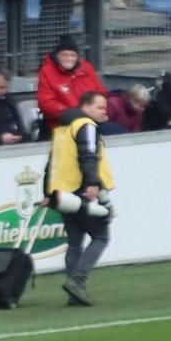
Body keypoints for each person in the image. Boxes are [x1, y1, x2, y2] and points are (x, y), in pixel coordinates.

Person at [45, 88, 116, 306]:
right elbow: (88, 155)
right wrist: (93, 183)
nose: (104, 112)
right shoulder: (86, 125)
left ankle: (74, 293)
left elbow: (51, 162)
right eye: (100, 107)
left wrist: (48, 193)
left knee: (75, 243)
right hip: (80, 190)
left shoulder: (63, 128)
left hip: (61, 192)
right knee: (101, 236)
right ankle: (77, 281)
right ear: (85, 107)